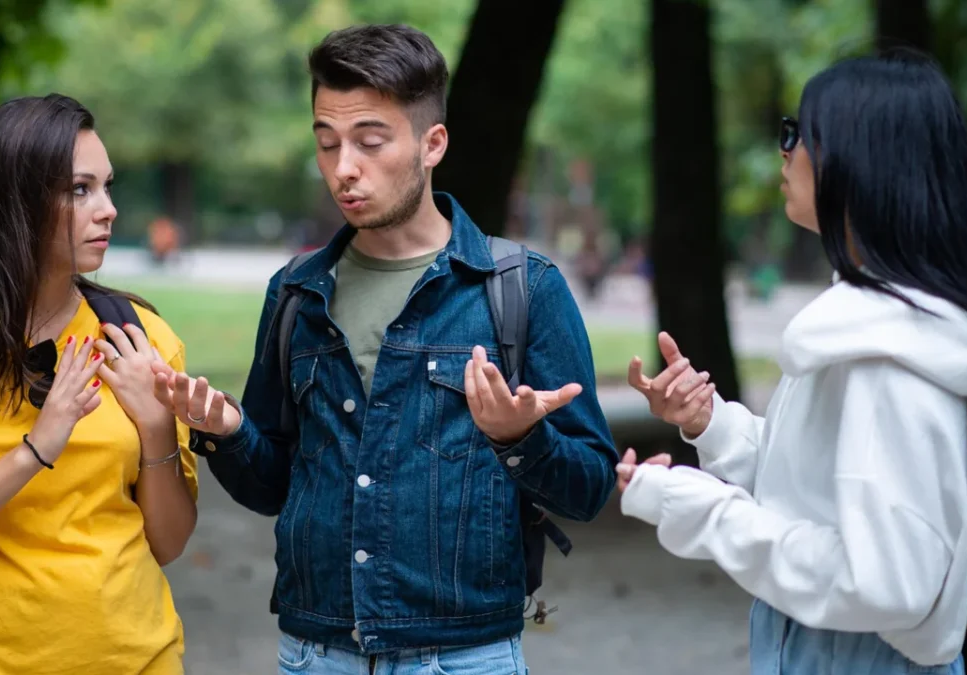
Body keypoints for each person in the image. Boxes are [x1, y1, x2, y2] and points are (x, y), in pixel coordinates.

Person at [151, 23, 618, 675]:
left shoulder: (522, 287)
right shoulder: (294, 293)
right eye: (326, 142)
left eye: (370, 142)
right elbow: (272, 486)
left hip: (464, 656)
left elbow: (590, 487)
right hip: (314, 652)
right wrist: (226, 431)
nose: (344, 168)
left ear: (433, 144)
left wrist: (520, 439)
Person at [616, 51, 967, 673]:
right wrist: (711, 424)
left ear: (858, 159)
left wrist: (707, 513)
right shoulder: (874, 327)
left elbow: (888, 584)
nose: (784, 151)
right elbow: (816, 492)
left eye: (795, 133)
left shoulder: (888, 355)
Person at [0, 94, 200, 674]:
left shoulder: (141, 338)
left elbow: (171, 544)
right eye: (80, 190)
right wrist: (36, 449)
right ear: (16, 200)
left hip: (138, 660)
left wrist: (157, 428)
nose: (108, 210)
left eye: (108, 186)